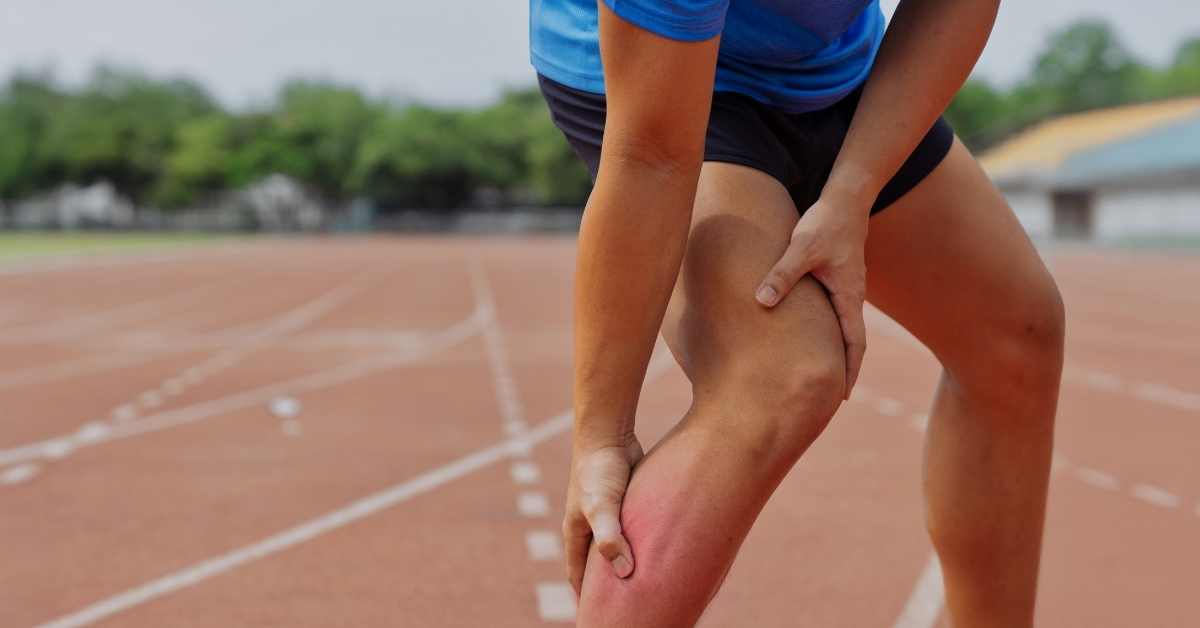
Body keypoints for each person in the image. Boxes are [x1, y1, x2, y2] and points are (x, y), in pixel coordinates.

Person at [530, 0, 1064, 625]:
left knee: (1016, 333)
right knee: (778, 373)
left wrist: (852, 194)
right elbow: (652, 158)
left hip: (832, 76)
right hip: (662, 79)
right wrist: (601, 435)